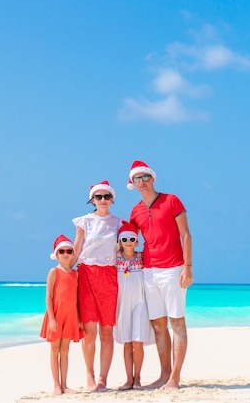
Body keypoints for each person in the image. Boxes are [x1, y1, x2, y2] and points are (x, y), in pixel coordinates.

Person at [126, 160, 193, 389]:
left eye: (145, 177)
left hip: (174, 268)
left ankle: (175, 377)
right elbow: (128, 240)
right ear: (132, 183)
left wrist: (188, 267)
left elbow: (185, 235)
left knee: (177, 323)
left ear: (153, 178)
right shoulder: (135, 211)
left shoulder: (171, 200)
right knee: (158, 325)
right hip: (148, 271)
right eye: (137, 178)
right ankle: (164, 375)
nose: (142, 182)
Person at [71, 180, 122, 392]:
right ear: (92, 200)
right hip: (86, 275)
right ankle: (90, 376)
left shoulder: (119, 223)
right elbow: (77, 247)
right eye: (98, 197)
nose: (102, 200)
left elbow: (126, 248)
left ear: (112, 199)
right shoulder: (84, 221)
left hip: (109, 276)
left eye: (106, 196)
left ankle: (103, 379)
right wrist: (64, 271)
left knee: (107, 332)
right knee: (89, 331)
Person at [40, 234, 83, 395]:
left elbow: (77, 298)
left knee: (65, 350)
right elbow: (49, 296)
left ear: (72, 253)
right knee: (55, 349)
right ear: (57, 254)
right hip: (56, 315)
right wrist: (51, 318)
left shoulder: (75, 274)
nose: (66, 254)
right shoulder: (54, 272)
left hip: (70, 315)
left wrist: (78, 318)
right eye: (62, 251)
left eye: (69, 251)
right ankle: (56, 385)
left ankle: (65, 384)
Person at [113, 220, 154, 391]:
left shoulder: (142, 257)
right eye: (124, 239)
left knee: (138, 341)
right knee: (127, 343)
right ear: (119, 242)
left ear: (137, 241)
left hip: (140, 303)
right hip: (122, 305)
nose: (128, 242)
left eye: (132, 239)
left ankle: (138, 378)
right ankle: (128, 379)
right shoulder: (115, 260)